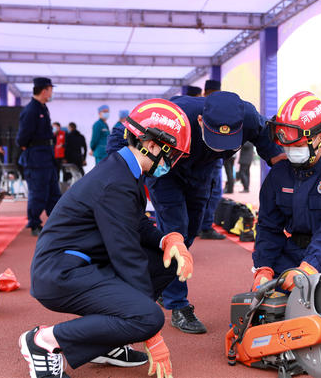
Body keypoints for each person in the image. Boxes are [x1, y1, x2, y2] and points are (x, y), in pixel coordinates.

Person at [19, 99, 193, 378]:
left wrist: (167, 241)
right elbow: (126, 256)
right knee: (149, 316)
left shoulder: (125, 169)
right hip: (60, 273)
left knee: (166, 263)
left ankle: (104, 344)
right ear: (151, 145)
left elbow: (135, 223)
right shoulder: (117, 182)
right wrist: (151, 332)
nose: (173, 162)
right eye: (171, 153)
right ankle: (44, 341)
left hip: (81, 264)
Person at [106, 91, 285, 335]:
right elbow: (122, 131)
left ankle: (159, 281)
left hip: (202, 173)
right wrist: (116, 176)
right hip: (166, 172)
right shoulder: (175, 114)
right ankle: (178, 306)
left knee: (189, 234)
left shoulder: (249, 117)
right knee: (175, 232)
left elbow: (276, 154)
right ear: (201, 121)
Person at [252, 92, 321, 302]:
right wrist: (264, 268)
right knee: (267, 290)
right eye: (287, 147)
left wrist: (309, 266)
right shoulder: (278, 175)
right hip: (293, 249)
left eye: (298, 146)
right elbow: (268, 227)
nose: (291, 152)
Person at [16, 77, 61, 236]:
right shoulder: (31, 110)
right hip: (36, 159)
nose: (51, 92)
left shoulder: (43, 108)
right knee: (38, 192)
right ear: (44, 90)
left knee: (54, 192)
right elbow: (21, 139)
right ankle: (34, 223)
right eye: (50, 89)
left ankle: (57, 222)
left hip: (47, 157)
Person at [198, 79, 225, 240]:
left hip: (203, 157)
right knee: (212, 192)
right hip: (212, 156)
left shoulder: (202, 105)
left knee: (201, 193)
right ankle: (206, 226)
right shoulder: (216, 106)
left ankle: (199, 225)